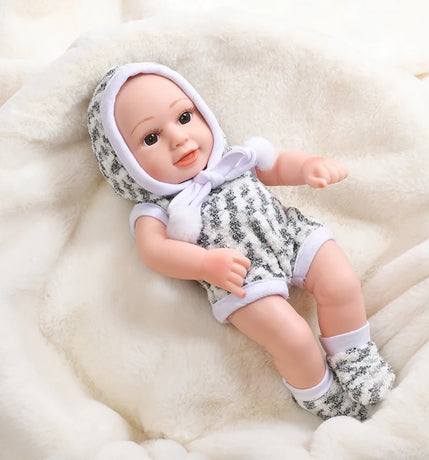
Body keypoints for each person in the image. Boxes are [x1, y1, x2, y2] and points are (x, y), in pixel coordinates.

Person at [87, 62, 394, 421]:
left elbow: (275, 166)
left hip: (289, 233)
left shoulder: (232, 159)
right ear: (124, 164)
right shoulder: (157, 207)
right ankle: (318, 391)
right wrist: (205, 264)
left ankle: (354, 354)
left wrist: (308, 167)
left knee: (341, 281)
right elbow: (154, 251)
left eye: (184, 117)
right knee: (292, 336)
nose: (179, 138)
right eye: (151, 138)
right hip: (241, 277)